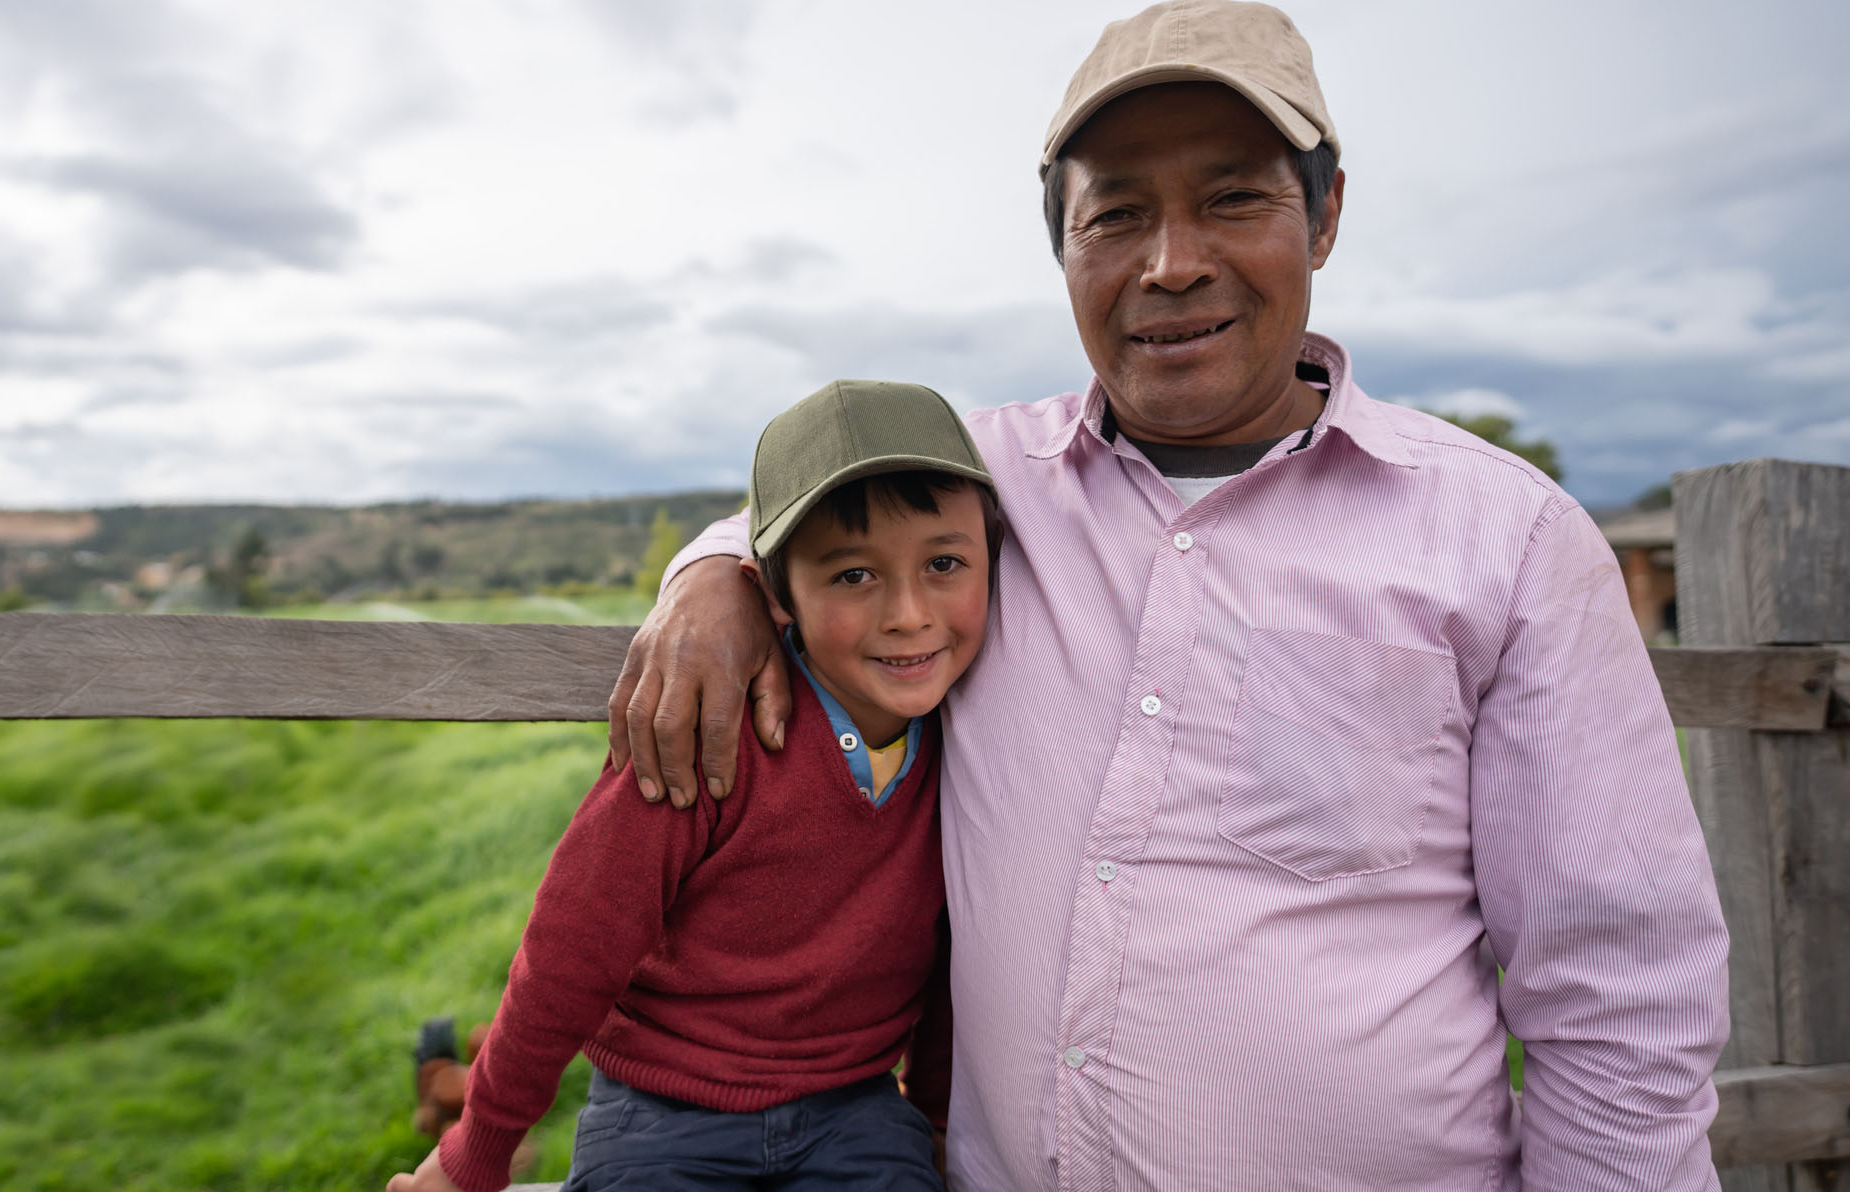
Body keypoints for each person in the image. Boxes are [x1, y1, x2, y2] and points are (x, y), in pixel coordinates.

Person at [607, 3, 1732, 1189]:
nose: (1170, 261)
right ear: (1063, 249)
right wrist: (715, 580)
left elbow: (1619, 995)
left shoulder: (1506, 538)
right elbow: (787, 518)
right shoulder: (972, 492)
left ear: (1326, 212)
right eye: (1117, 213)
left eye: (1234, 198)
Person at [386, 379, 1001, 1192]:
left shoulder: (979, 746)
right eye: (854, 576)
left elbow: (967, 954)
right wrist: (477, 1152)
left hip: (855, 1108)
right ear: (777, 594)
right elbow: (572, 950)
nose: (909, 613)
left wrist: (931, 1119)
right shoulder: (704, 732)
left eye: (945, 563)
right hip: (664, 1110)